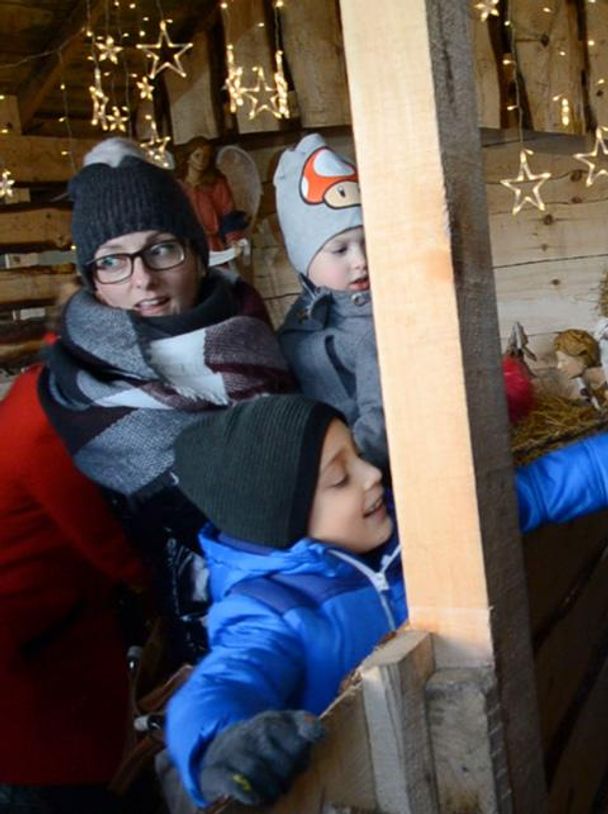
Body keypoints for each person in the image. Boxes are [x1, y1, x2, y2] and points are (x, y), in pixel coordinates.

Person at [165, 381, 608, 808]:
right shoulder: (272, 613)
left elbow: (540, 488)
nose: (372, 473)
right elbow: (223, 682)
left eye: (357, 455)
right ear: (283, 521)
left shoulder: (415, 534)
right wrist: (216, 750)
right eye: (340, 476)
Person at [38, 137, 295, 664]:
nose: (143, 281)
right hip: (202, 645)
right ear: (92, 279)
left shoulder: (264, 340)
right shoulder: (76, 389)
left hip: (314, 600)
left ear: (197, 255)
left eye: (161, 250)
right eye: (113, 262)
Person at [0, 363, 149, 814]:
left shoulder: (42, 392)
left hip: (58, 644)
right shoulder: (40, 415)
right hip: (43, 697)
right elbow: (108, 548)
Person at [273, 133, 387, 466]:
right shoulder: (301, 319)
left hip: (365, 473)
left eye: (367, 243)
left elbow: (383, 416)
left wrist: (344, 467)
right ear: (303, 259)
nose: (360, 260)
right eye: (340, 249)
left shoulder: (375, 325)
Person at [175, 136, 247, 253]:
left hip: (214, 244)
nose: (201, 160)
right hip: (187, 244)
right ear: (188, 158)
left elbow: (228, 214)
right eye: (197, 155)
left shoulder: (216, 184)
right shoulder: (177, 186)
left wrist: (233, 239)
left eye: (206, 157)